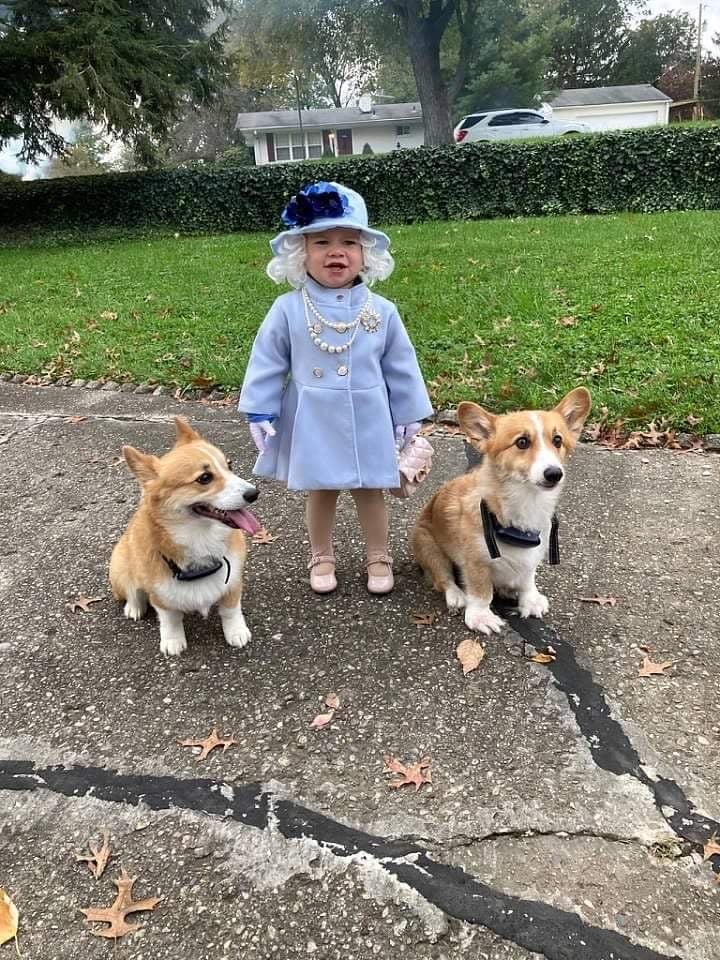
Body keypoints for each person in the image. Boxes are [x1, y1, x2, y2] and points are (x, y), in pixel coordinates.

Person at [239, 180, 432, 595]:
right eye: (321, 241)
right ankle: (321, 553)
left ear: (366, 255)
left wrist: (409, 413)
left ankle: (377, 553)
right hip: (313, 416)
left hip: (369, 414)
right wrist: (260, 408)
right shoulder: (288, 309)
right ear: (300, 254)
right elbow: (268, 360)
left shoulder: (382, 310)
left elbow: (401, 364)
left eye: (349, 241)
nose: (336, 251)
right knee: (321, 490)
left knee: (370, 490)